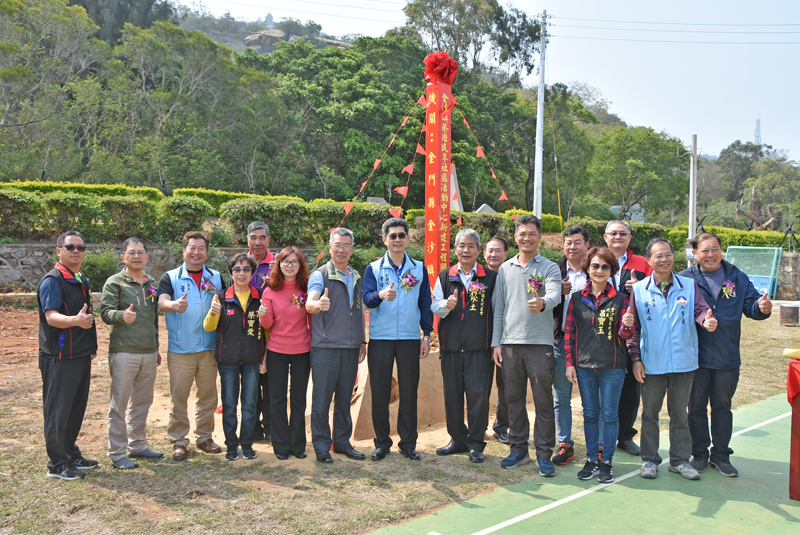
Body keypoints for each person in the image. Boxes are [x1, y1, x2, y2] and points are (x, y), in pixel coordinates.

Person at [680, 232, 772, 477]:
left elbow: (752, 306)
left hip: (726, 355)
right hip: (694, 357)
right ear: (695, 254)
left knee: (722, 406)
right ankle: (699, 454)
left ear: (722, 251)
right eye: (704, 250)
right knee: (696, 407)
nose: (710, 255)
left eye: (715, 249)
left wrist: (761, 308)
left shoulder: (736, 277)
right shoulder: (685, 279)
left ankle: (720, 456)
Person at [626, 238, 717, 480]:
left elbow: (700, 310)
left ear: (673, 257)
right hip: (651, 364)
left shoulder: (688, 285)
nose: (664, 259)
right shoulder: (639, 290)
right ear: (649, 261)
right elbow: (632, 328)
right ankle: (649, 460)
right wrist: (636, 358)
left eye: (668, 254)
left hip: (684, 363)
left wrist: (705, 321)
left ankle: (679, 460)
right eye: (658, 256)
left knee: (680, 414)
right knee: (650, 414)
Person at [491, 215, 562, 475]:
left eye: (532, 233)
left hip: (539, 345)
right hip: (509, 345)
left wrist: (544, 302)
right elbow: (499, 308)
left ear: (539, 236)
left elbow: (555, 292)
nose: (527, 238)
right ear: (516, 236)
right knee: (514, 400)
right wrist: (496, 343)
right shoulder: (506, 269)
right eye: (522, 233)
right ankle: (518, 449)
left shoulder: (550, 267)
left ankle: (544, 453)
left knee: (543, 401)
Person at [363, 217, 433, 461]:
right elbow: (367, 299)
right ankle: (382, 442)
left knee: (409, 391)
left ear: (408, 239)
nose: (397, 240)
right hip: (381, 339)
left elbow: (426, 305)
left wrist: (426, 335)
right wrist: (380, 294)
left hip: (409, 339)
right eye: (392, 236)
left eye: (401, 235)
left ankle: (408, 443)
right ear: (384, 239)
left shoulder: (418, 268)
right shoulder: (373, 268)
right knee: (380, 392)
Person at [564, 247, 633, 484]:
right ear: (587, 269)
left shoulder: (621, 299)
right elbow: (570, 333)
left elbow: (626, 336)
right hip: (584, 367)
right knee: (590, 414)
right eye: (595, 265)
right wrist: (569, 363)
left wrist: (627, 325)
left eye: (605, 266)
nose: (600, 270)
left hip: (612, 367)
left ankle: (607, 462)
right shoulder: (576, 298)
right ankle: (592, 459)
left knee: (610, 415)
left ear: (612, 270)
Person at [158, 231, 226, 461]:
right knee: (179, 396)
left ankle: (204, 436)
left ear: (207, 252)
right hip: (181, 348)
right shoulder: (171, 277)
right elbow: (162, 301)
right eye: (192, 248)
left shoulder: (216, 277)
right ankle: (179, 440)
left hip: (208, 348)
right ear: (184, 250)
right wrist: (173, 304)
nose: (196, 252)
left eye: (201, 248)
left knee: (208, 395)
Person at [37, 230, 98, 480]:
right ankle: (58, 464)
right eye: (70, 247)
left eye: (80, 248)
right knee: (58, 411)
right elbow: (51, 316)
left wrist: (89, 347)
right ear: (58, 250)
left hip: (80, 354)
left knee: (75, 408)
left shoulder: (79, 277)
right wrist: (74, 321)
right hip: (59, 356)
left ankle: (71, 453)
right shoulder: (52, 280)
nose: (75, 251)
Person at [431, 229, 497, 463]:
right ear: (455, 249)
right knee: (453, 397)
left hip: (480, 349)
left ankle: (476, 444)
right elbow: (435, 307)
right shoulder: (444, 276)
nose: (466, 250)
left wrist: (495, 344)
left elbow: (497, 312)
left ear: (479, 250)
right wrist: (447, 305)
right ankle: (457, 439)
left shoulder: (490, 277)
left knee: (478, 398)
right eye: (461, 246)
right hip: (450, 349)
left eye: (471, 246)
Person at [100, 237, 163, 470]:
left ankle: (137, 444)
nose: (136, 256)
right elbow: (105, 312)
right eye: (131, 252)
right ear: (123, 257)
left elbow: (154, 318)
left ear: (147, 257)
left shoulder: (151, 282)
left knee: (143, 401)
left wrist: (156, 346)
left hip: (148, 351)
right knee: (119, 403)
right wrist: (120, 316)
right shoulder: (115, 282)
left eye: (141, 252)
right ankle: (117, 453)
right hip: (124, 351)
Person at [306, 228, 367, 463]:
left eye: (346, 245)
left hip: (351, 348)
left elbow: (360, 311)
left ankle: (342, 442)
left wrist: (362, 341)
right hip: (326, 347)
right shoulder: (319, 275)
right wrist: (317, 304)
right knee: (321, 399)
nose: (341, 249)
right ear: (329, 247)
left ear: (352, 249)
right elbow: (310, 303)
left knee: (344, 398)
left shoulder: (356, 276)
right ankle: (321, 445)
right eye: (337, 245)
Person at [204, 253, 266, 461]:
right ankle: (231, 444)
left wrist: (264, 358)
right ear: (231, 273)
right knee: (229, 403)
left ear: (252, 273)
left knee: (249, 403)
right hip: (227, 359)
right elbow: (209, 327)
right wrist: (213, 313)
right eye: (237, 269)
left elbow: (266, 331)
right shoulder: (221, 297)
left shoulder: (260, 297)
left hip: (252, 359)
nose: (241, 273)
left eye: (246, 269)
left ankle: (246, 443)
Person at [603, 220, 653, 457]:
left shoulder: (642, 263)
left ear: (630, 238)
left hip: (633, 334)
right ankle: (604, 437)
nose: (618, 237)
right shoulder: (598, 258)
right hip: (602, 334)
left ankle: (624, 435)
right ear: (605, 237)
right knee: (603, 388)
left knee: (632, 388)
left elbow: (657, 289)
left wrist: (642, 286)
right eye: (613, 233)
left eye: (623, 233)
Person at [259, 246, 311, 460]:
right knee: (277, 399)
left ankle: (297, 444)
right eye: (285, 261)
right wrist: (262, 315)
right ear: (278, 264)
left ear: (300, 265)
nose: (290, 265)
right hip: (276, 351)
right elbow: (268, 323)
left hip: (302, 350)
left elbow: (311, 321)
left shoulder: (306, 289)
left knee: (299, 399)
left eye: (294, 262)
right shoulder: (270, 290)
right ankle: (280, 445)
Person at [551, 226, 590, 465]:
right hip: (561, 340)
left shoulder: (596, 269)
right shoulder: (554, 270)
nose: (572, 247)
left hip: (589, 344)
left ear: (586, 244)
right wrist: (557, 293)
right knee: (561, 397)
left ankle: (596, 444)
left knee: (591, 399)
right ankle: (565, 443)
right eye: (568, 242)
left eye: (577, 242)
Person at [246, 221, 276, 442]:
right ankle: (253, 429)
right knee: (249, 383)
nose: (258, 242)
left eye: (262, 237)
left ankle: (272, 429)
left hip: (272, 333)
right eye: (253, 237)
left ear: (268, 239)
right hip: (246, 333)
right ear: (247, 239)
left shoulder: (277, 265)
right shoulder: (240, 264)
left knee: (272, 384)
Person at [484, 236, 511, 444]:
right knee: (480, 385)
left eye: (498, 251)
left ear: (506, 253)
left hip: (506, 339)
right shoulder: (476, 275)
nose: (494, 254)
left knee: (506, 384)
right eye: (490, 250)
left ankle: (502, 426)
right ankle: (478, 426)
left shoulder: (511, 274)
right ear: (484, 253)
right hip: (481, 339)